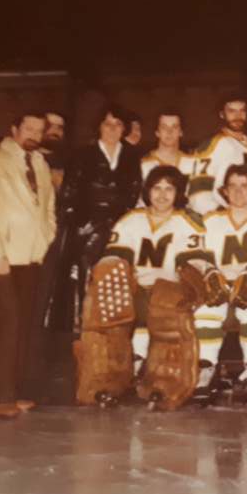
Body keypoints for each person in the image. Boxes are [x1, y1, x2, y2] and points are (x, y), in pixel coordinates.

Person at [97, 166, 207, 395]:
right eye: (157, 188)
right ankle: (115, 375)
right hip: (135, 289)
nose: (162, 194)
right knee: (106, 307)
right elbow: (114, 256)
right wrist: (114, 274)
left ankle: (162, 378)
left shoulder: (189, 222)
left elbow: (196, 263)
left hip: (170, 293)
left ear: (178, 193)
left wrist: (185, 282)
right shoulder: (131, 219)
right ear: (148, 191)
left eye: (169, 188)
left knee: (165, 304)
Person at [185, 164, 247, 406]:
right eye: (233, 186)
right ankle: (206, 369)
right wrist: (208, 272)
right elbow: (195, 256)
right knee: (207, 308)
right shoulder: (210, 221)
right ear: (224, 191)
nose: (239, 192)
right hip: (219, 281)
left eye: (245, 186)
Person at [0, 112, 56, 419]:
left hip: (31, 256)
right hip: (1, 259)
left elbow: (48, 206)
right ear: (14, 129)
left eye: (40, 131)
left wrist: (46, 235)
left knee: (24, 324)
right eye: (28, 129)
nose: (34, 135)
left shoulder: (40, 163)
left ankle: (16, 390)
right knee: (6, 325)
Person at [47, 104, 142, 332]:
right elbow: (68, 195)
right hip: (85, 230)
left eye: (118, 124)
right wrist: (75, 228)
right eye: (107, 124)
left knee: (117, 280)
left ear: (124, 129)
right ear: (99, 127)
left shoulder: (131, 157)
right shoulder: (82, 155)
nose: (112, 129)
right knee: (84, 281)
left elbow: (134, 191)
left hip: (120, 230)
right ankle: (82, 329)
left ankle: (113, 329)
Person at [189, 94, 247, 215]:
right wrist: (220, 215)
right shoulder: (213, 145)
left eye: (242, 111)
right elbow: (198, 192)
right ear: (222, 114)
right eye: (231, 111)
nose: (238, 116)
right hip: (224, 218)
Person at [140, 110, 197, 185]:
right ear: (157, 132)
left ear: (181, 132)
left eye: (174, 127)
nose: (169, 131)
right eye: (164, 127)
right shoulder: (143, 164)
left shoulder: (192, 162)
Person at [40, 111, 69, 191]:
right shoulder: (27, 157)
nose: (55, 131)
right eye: (49, 126)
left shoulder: (68, 160)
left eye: (60, 127)